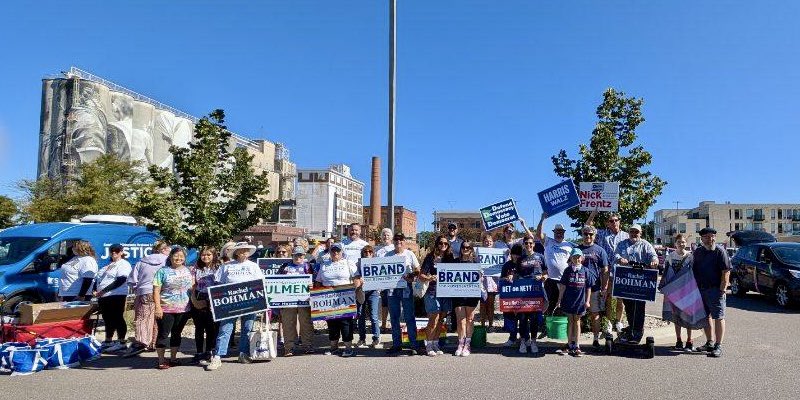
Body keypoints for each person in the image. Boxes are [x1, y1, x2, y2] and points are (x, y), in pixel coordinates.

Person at [206, 242, 263, 371]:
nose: (244, 251)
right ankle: (218, 356)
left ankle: (243, 353)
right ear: (236, 252)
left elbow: (260, 284)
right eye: (241, 249)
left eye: (246, 249)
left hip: (250, 302)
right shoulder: (226, 267)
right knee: (225, 329)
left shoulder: (254, 266)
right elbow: (217, 285)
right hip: (229, 303)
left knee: (247, 328)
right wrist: (215, 303)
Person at [614, 223, 659, 344]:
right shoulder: (622, 243)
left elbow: (653, 256)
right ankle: (632, 328)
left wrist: (654, 261)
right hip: (627, 279)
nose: (634, 234)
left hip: (641, 280)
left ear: (640, 233)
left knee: (639, 307)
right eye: (632, 232)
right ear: (629, 232)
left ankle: (638, 331)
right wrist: (620, 259)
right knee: (628, 305)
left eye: (636, 232)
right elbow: (616, 254)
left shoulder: (646, 244)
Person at [315, 242, 361, 357]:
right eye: (333, 250)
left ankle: (348, 348)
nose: (335, 253)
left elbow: (357, 279)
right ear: (330, 252)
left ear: (342, 252)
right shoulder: (324, 265)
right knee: (332, 323)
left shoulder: (348, 263)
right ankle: (333, 347)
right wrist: (317, 296)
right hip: (328, 299)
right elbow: (318, 282)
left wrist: (353, 290)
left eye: (338, 251)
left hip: (345, 298)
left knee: (346, 322)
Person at [124, 241, 170, 356]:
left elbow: (132, 280)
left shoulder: (142, 261)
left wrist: (137, 288)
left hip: (145, 291)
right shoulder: (167, 260)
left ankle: (141, 342)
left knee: (142, 317)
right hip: (162, 292)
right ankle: (153, 343)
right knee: (157, 318)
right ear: (164, 249)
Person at [691, 228, 731, 358]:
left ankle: (718, 346)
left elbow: (726, 271)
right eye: (707, 237)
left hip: (715, 290)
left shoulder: (720, 251)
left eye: (713, 236)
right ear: (701, 239)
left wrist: (722, 289)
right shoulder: (698, 252)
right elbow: (693, 270)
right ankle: (709, 342)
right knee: (705, 317)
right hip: (701, 290)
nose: (711, 239)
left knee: (718, 317)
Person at [589, 211, 629, 333]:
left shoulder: (626, 236)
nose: (614, 222)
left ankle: (618, 321)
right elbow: (588, 226)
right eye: (611, 221)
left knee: (620, 299)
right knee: (608, 298)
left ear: (619, 221)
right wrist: (594, 213)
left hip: (621, 272)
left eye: (616, 220)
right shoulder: (602, 234)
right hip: (606, 272)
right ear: (607, 223)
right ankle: (609, 323)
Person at [153, 247, 192, 369]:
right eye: (176, 255)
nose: (179, 258)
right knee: (163, 334)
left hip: (183, 309)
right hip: (166, 309)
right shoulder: (162, 271)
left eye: (181, 256)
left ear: (185, 259)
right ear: (170, 257)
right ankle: (161, 360)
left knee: (177, 333)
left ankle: (173, 358)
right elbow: (156, 290)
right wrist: (158, 307)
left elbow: (191, 288)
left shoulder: (188, 270)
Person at [384, 233, 422, 355]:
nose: (398, 241)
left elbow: (417, 269)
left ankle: (414, 345)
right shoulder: (387, 255)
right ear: (393, 241)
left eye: (401, 239)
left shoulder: (409, 254)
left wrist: (411, 276)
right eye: (396, 239)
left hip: (406, 288)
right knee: (394, 318)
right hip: (392, 290)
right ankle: (396, 344)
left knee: (409, 317)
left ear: (404, 241)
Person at [419, 235, 456, 356]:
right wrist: (430, 277)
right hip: (432, 291)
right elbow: (421, 275)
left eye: (446, 244)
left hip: (446, 292)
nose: (443, 245)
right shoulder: (430, 257)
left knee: (441, 319)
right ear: (437, 244)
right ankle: (429, 345)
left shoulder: (450, 257)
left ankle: (435, 343)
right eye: (441, 243)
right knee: (433, 319)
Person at [92, 244, 131, 353]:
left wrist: (103, 291)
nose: (114, 252)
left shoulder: (124, 264)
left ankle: (122, 342)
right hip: (104, 296)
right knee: (107, 318)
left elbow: (121, 280)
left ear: (121, 252)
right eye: (112, 251)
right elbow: (98, 279)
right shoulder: (108, 265)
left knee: (117, 317)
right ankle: (108, 340)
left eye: (117, 250)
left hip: (116, 294)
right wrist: (95, 290)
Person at [659, 234, 695, 351]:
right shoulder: (670, 256)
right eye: (679, 242)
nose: (681, 244)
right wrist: (663, 287)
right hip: (675, 291)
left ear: (686, 243)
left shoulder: (690, 256)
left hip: (687, 290)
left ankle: (689, 340)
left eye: (683, 242)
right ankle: (679, 340)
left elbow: (694, 273)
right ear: (675, 244)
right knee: (677, 316)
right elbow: (665, 273)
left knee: (688, 316)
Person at [576, 225, 609, 348]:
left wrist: (604, 287)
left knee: (595, 314)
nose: (588, 236)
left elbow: (605, 270)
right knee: (577, 315)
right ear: (582, 235)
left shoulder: (600, 250)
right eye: (586, 234)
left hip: (594, 288)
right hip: (578, 288)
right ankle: (574, 341)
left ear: (594, 236)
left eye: (591, 234)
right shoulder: (577, 249)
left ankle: (595, 340)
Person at [536, 214, 574, 320]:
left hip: (564, 280)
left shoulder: (569, 245)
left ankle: (563, 325)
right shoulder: (548, 241)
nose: (559, 234)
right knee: (549, 302)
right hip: (550, 279)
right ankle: (546, 325)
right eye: (557, 232)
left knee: (563, 303)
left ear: (564, 233)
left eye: (561, 232)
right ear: (554, 233)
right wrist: (542, 219)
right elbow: (538, 234)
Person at [279, 246, 315, 356]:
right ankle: (289, 348)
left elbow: (315, 280)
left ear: (304, 256)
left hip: (304, 300)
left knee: (306, 323)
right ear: (292, 255)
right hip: (288, 300)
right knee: (288, 323)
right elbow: (277, 280)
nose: (298, 257)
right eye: (296, 255)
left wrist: (312, 285)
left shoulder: (308, 266)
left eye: (300, 255)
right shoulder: (285, 267)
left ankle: (307, 345)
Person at [556, 248, 592, 357]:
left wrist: (587, 301)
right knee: (569, 321)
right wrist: (559, 300)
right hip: (568, 299)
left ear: (582, 258)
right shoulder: (568, 270)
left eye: (578, 257)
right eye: (574, 257)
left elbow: (589, 287)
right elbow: (563, 286)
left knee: (577, 321)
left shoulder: (585, 271)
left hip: (580, 301)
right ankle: (569, 343)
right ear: (571, 258)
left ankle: (577, 345)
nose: (577, 259)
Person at [516, 238, 547, 354]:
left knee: (534, 318)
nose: (528, 245)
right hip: (523, 293)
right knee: (522, 318)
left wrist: (543, 277)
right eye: (526, 243)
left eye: (530, 243)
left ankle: (533, 341)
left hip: (536, 292)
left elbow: (546, 272)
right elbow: (517, 275)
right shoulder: (520, 259)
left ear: (533, 244)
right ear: (523, 245)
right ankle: (523, 341)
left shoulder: (540, 256)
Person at [190, 247, 220, 364]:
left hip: (213, 298)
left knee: (211, 327)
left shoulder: (218, 268)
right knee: (199, 327)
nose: (206, 257)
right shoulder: (195, 268)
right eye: (203, 255)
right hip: (198, 296)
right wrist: (194, 300)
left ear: (213, 255)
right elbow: (192, 285)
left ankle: (208, 351)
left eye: (208, 254)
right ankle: (198, 353)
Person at [452, 241, 479, 357]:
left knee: (470, 319)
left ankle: (467, 344)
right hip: (458, 294)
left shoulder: (475, 262)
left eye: (468, 247)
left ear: (471, 249)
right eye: (463, 247)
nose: (465, 249)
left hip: (472, 294)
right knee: (460, 320)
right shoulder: (455, 262)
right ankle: (460, 343)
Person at [355, 245, 381, 349]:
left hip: (373, 292)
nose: (368, 253)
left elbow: (380, 277)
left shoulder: (376, 263)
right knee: (360, 315)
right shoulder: (358, 264)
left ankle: (376, 338)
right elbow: (355, 276)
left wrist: (379, 288)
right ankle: (362, 339)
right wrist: (359, 279)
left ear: (373, 253)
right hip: (361, 291)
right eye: (365, 252)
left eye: (370, 252)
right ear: (363, 253)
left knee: (373, 316)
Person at [499, 244, 523, 347]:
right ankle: (512, 338)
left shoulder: (524, 264)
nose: (516, 256)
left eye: (518, 254)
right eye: (514, 254)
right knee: (510, 317)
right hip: (509, 297)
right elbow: (501, 279)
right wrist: (506, 278)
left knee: (522, 318)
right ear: (511, 254)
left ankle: (523, 338)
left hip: (522, 296)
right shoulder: (506, 265)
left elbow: (527, 278)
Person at [374, 228, 394, 333]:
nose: (386, 237)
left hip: (394, 281)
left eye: (388, 235)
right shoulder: (378, 250)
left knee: (393, 303)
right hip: (382, 281)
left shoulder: (394, 248)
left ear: (391, 237)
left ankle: (393, 324)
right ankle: (384, 324)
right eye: (384, 235)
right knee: (384, 303)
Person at [479, 232, 498, 329]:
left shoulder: (497, 253)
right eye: (486, 241)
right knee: (482, 305)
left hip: (492, 282)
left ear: (493, 242)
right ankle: (482, 325)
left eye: (490, 241)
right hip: (481, 283)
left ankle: (491, 324)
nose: (488, 243)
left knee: (490, 305)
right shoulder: (478, 253)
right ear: (483, 242)